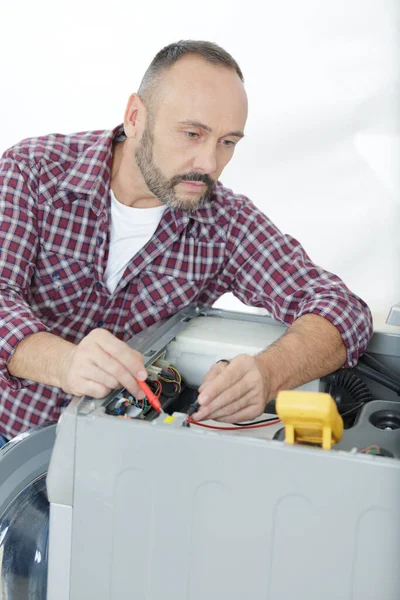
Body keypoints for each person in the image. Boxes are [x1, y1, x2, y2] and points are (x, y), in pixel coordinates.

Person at [0, 40, 372, 443]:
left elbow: (342, 309)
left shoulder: (225, 223)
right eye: (192, 133)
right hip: (9, 440)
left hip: (112, 464)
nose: (209, 164)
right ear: (136, 117)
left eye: (227, 142)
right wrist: (65, 362)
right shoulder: (33, 173)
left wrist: (268, 373)